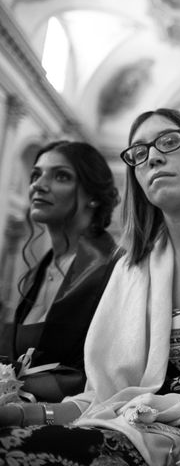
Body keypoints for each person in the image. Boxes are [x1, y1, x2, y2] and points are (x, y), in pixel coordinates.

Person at [0, 108, 180, 465]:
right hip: (130, 429)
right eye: (138, 153)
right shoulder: (132, 270)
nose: (152, 156)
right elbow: (104, 398)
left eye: (169, 141)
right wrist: (23, 414)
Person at [10, 140, 120, 402]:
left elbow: (107, 377)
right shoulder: (40, 270)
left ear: (93, 196)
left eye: (61, 176)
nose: (38, 184)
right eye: (36, 175)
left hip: (70, 417)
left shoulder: (114, 270)